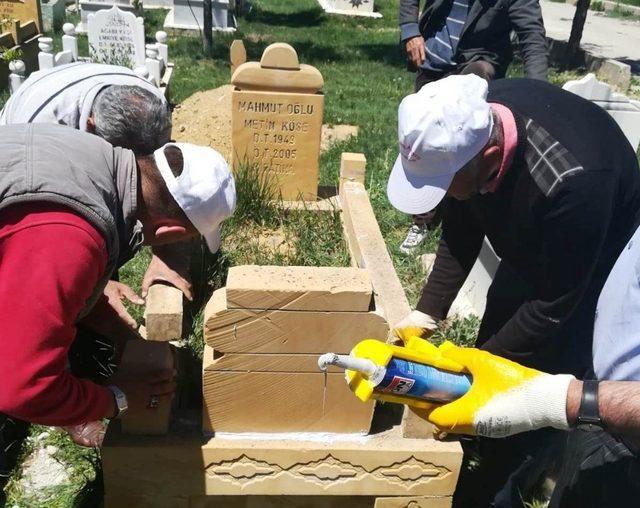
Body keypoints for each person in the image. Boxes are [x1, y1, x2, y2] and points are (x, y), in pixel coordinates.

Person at [389, 74, 640, 506]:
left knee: (545, 372)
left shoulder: (574, 182)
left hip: (596, 256)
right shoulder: (468, 122)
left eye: (445, 183)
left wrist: (483, 370)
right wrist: (427, 312)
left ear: (487, 156)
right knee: (501, 323)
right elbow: (462, 223)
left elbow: (552, 304)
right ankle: (485, 442)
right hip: (539, 226)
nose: (440, 195)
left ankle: (508, 478)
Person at [0, 124, 235, 443]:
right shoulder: (71, 238)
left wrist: (116, 330)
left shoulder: (94, 156)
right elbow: (24, 388)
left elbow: (40, 267)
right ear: (166, 233)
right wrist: (117, 399)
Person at [0, 61, 193, 330]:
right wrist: (96, 286)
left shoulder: (151, 105)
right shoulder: (44, 128)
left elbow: (158, 184)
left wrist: (166, 254)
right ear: (91, 128)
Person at [398, 0, 549, 254]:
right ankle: (422, 217)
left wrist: (541, 98)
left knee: (461, 152)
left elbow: (531, 37)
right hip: (433, 60)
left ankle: (459, 220)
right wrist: (410, 29)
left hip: (475, 67)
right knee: (424, 142)